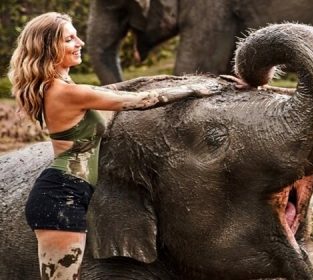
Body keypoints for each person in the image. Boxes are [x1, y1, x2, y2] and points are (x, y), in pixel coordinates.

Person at [8, 12, 217, 280]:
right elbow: (142, 100)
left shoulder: (65, 88)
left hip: (69, 193)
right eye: (70, 39)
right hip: (61, 197)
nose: (80, 42)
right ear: (49, 47)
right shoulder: (65, 92)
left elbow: (113, 91)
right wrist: (196, 89)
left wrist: (180, 82)